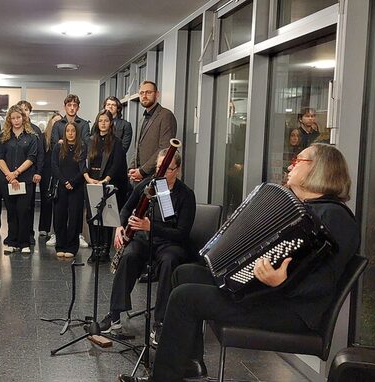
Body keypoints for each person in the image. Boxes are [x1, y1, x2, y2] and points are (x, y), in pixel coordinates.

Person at [119, 144, 360, 382]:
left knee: (185, 297)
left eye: (298, 161)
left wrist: (282, 281)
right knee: (185, 273)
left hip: (289, 310)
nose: (290, 166)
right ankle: (189, 364)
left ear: (319, 169)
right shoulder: (306, 210)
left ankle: (162, 378)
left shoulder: (335, 217)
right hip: (269, 295)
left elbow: (324, 281)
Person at [100, 150, 195, 338]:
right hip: (145, 240)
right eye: (159, 168)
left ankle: (160, 322)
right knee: (128, 256)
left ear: (177, 169)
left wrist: (151, 226)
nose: (161, 172)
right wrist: (119, 227)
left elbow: (182, 233)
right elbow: (127, 208)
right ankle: (115, 315)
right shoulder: (148, 185)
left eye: (167, 169)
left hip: (170, 243)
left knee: (169, 262)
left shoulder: (186, 195)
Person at [83, 110, 127, 263]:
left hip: (108, 183)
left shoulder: (116, 142)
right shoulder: (89, 140)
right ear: (97, 122)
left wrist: (106, 179)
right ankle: (95, 249)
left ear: (111, 123)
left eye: (106, 121)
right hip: (91, 182)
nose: (103, 123)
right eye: (100, 120)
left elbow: (117, 164)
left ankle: (105, 250)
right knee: (93, 217)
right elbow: (83, 162)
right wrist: (88, 178)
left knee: (107, 217)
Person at [0, 105, 38, 254]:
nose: (16, 121)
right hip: (6, 179)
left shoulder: (32, 136)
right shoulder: (3, 136)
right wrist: (9, 174)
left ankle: (24, 242)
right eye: (13, 118)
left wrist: (16, 173)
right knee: (11, 211)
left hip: (24, 179)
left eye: (18, 117)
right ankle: (12, 241)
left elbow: (32, 158)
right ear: (9, 119)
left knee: (24, 211)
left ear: (23, 118)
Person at [128, 81, 177, 183]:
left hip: (155, 176)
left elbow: (165, 148)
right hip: (139, 178)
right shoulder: (143, 118)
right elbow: (138, 147)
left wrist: (142, 171)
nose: (144, 96)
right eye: (141, 93)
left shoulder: (166, 115)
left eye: (148, 92)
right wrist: (131, 169)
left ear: (157, 94)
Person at [51, 123, 87, 258]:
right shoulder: (58, 147)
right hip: (61, 186)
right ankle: (60, 245)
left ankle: (72, 247)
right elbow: (54, 166)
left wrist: (72, 182)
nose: (70, 133)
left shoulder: (83, 147)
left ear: (77, 133)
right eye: (68, 131)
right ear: (64, 133)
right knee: (60, 217)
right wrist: (64, 181)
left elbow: (83, 168)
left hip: (76, 187)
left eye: (73, 131)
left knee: (74, 218)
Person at [17, 100, 45, 243]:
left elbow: (40, 153)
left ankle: (29, 234)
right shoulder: (13, 129)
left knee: (29, 205)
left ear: (29, 112)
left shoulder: (35, 130)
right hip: (15, 174)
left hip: (30, 173)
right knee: (16, 206)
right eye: (21, 109)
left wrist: (38, 171)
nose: (24, 112)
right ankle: (16, 235)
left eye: (26, 109)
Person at [41, 113, 63, 244]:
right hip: (47, 170)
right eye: (55, 121)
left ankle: (56, 230)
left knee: (58, 199)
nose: (57, 124)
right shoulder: (45, 136)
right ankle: (44, 227)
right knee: (46, 199)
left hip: (61, 170)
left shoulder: (67, 135)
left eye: (59, 122)